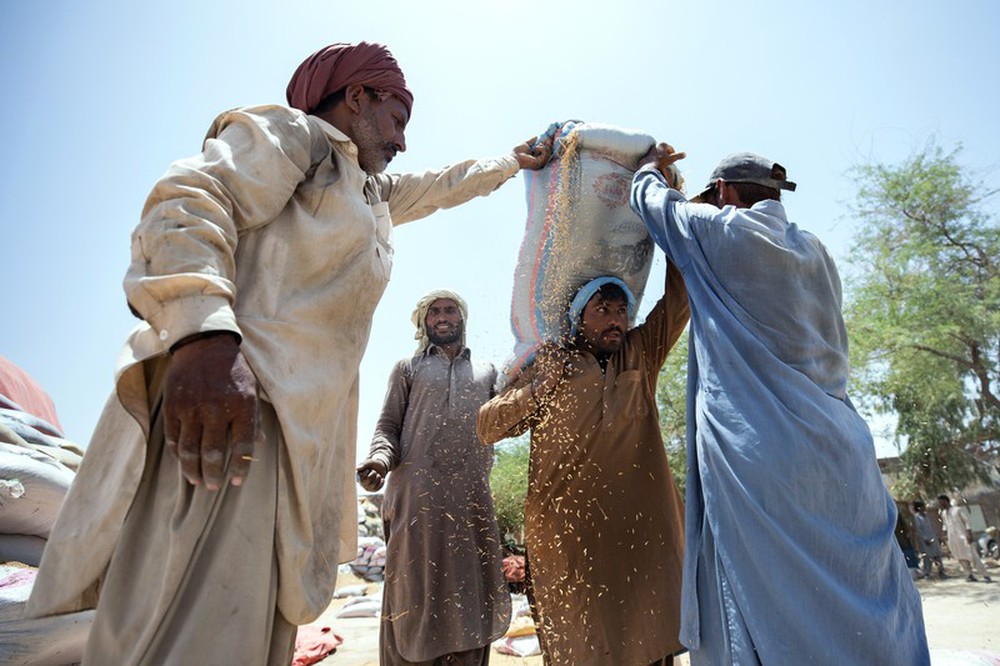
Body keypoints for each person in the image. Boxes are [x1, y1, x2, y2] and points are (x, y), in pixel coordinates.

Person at [26, 41, 552, 665]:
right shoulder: (293, 137)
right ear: (357, 97)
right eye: (397, 119)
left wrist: (511, 162)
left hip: (297, 440)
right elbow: (188, 199)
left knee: (253, 634)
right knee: (193, 634)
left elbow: (440, 185)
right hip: (230, 408)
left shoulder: (368, 192)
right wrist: (203, 335)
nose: (402, 141)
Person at [630, 147, 930, 665]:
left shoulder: (719, 231)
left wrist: (654, 163)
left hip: (766, 459)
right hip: (845, 457)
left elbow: (647, 197)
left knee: (766, 605)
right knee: (862, 603)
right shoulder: (815, 251)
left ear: (723, 192)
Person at [477, 262, 691, 665]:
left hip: (640, 537)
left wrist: (672, 213)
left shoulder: (640, 353)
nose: (615, 320)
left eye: (621, 311)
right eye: (603, 309)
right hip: (572, 542)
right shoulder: (552, 363)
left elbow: (680, 299)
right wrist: (540, 386)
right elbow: (487, 426)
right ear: (579, 317)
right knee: (585, 648)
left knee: (651, 639)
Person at [356, 290, 510, 665]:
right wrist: (378, 461)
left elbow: (506, 420)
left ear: (462, 318)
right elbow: (387, 428)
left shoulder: (488, 371)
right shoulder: (408, 368)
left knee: (470, 590)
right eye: (434, 312)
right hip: (416, 501)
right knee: (413, 589)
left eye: (450, 310)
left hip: (470, 499)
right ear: (424, 322)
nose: (443, 317)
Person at [938, 494, 992, 582]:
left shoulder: (957, 510)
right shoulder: (944, 513)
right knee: (960, 557)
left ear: (946, 501)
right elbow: (945, 525)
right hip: (952, 538)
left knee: (973, 556)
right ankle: (969, 575)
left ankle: (985, 575)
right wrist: (944, 535)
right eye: (939, 503)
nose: (940, 504)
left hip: (963, 537)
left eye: (941, 502)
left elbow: (967, 522)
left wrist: (969, 534)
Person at [911, 499, 948, 579]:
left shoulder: (925, 516)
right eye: (923, 506)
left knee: (937, 555)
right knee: (927, 557)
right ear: (919, 508)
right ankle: (927, 573)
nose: (925, 507)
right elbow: (918, 530)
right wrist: (925, 539)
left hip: (932, 537)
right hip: (925, 540)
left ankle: (941, 572)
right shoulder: (917, 517)